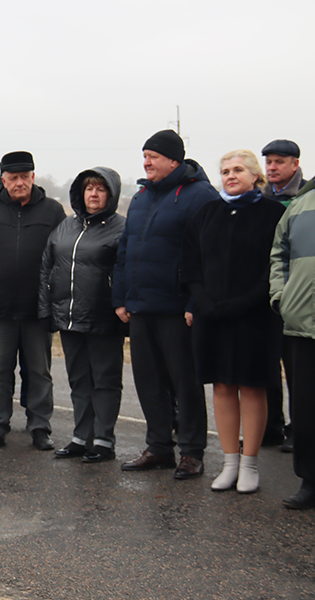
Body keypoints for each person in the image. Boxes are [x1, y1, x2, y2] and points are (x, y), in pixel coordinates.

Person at [113, 129, 219, 479]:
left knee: (184, 382)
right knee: (149, 380)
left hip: (177, 308)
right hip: (141, 305)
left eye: (153, 156)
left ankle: (191, 451)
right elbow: (125, 251)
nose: (146, 162)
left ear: (174, 160)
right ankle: (159, 447)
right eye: (144, 156)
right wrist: (122, 297)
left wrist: (193, 302)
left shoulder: (199, 195)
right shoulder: (141, 197)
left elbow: (207, 255)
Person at [181, 150, 284, 493]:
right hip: (213, 315)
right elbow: (191, 262)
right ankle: (229, 463)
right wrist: (203, 301)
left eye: (238, 169)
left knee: (252, 386)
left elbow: (275, 267)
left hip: (255, 316)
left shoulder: (272, 214)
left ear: (256, 175)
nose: (230, 175)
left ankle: (250, 464)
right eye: (225, 171)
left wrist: (244, 303)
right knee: (222, 386)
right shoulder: (208, 212)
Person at [0, 151, 65, 451]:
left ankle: (39, 427)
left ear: (33, 177)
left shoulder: (52, 211)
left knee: (39, 372)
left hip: (38, 309)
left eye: (25, 177)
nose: (20, 183)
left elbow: (62, 254)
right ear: (3, 181)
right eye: (13, 178)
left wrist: (50, 289)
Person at [38, 168, 126, 463]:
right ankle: (80, 437)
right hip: (69, 317)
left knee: (105, 380)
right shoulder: (65, 226)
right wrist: (46, 309)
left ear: (110, 194)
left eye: (101, 189)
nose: (94, 194)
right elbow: (47, 268)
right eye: (89, 188)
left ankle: (103, 440)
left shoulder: (121, 228)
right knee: (79, 380)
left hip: (103, 318)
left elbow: (126, 271)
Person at [270, 182, 315, 508]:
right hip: (302, 324)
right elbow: (279, 256)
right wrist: (281, 297)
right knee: (306, 410)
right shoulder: (300, 205)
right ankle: (310, 480)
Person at [261, 140, 307, 451]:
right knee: (266, 366)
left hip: (295, 297)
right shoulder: (260, 198)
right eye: (269, 162)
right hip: (261, 294)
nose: (273, 168)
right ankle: (271, 426)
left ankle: (299, 429)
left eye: (279, 162)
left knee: (297, 370)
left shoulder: (304, 199)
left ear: (295, 164)